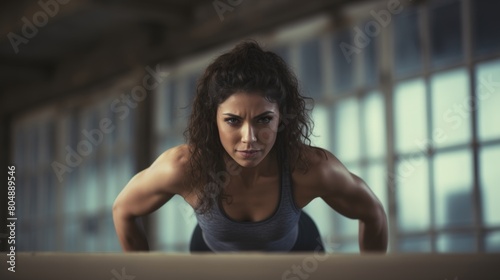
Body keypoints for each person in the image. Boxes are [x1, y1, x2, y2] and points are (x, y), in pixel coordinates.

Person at [112, 40, 388, 253]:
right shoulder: (184, 168)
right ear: (213, 120)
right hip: (211, 260)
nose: (249, 138)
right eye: (233, 121)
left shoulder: (312, 168)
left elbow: (373, 213)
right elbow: (123, 210)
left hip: (298, 255)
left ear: (282, 117)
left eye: (264, 120)